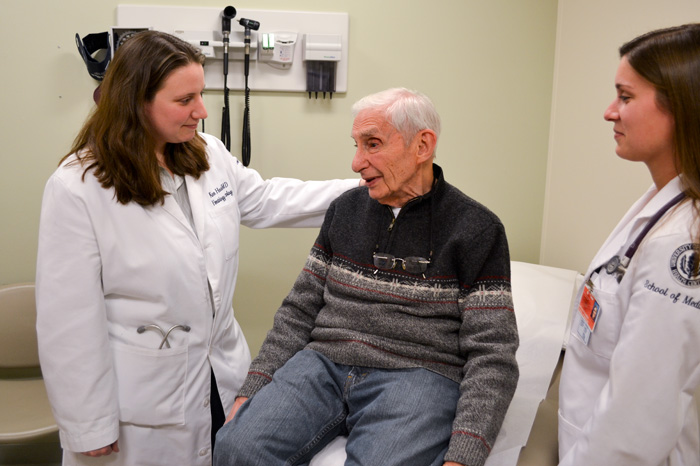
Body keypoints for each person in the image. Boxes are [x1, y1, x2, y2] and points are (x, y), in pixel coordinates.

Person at [35, 30, 359, 466]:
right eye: (185, 100)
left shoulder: (206, 153)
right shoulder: (78, 187)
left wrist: (366, 189)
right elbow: (67, 323)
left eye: (201, 94)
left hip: (220, 371)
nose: (201, 111)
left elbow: (266, 199)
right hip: (139, 397)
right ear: (136, 101)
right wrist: (87, 423)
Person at [213, 88, 519, 466]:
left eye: (372, 144)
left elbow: (492, 354)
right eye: (357, 145)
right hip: (323, 363)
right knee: (235, 448)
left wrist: (464, 455)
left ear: (422, 145)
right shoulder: (345, 211)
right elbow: (298, 310)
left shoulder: (476, 229)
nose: (357, 163)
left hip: (418, 372)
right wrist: (254, 387)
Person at [558, 24, 700, 465]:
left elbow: (639, 415)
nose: (609, 112)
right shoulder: (660, 208)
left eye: (625, 96)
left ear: (680, 106)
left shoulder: (681, 243)